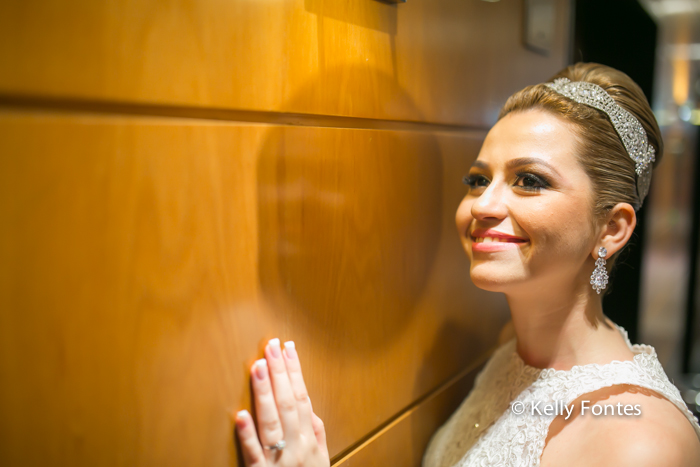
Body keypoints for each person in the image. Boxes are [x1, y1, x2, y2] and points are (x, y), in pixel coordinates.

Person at [232, 63, 700, 467]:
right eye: (478, 180)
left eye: (529, 180)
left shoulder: (641, 442)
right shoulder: (509, 351)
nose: (482, 204)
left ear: (612, 229)